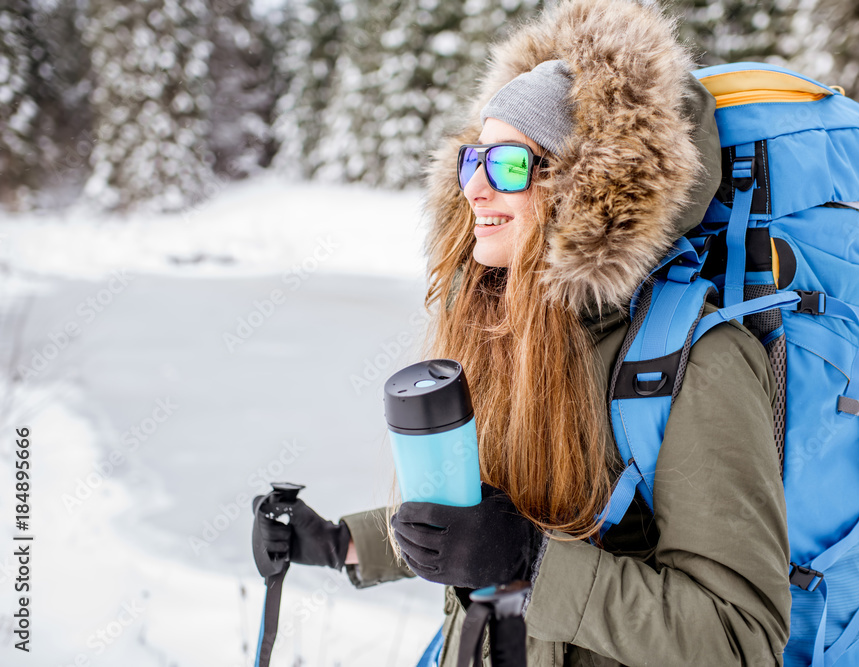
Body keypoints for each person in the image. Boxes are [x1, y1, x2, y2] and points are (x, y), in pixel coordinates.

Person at [252, 0, 793, 664]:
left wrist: (536, 563)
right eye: (473, 161)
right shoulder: (504, 328)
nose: (477, 188)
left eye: (507, 165)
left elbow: (741, 636)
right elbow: (481, 524)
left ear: (583, 187)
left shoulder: (696, 362)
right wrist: (343, 543)